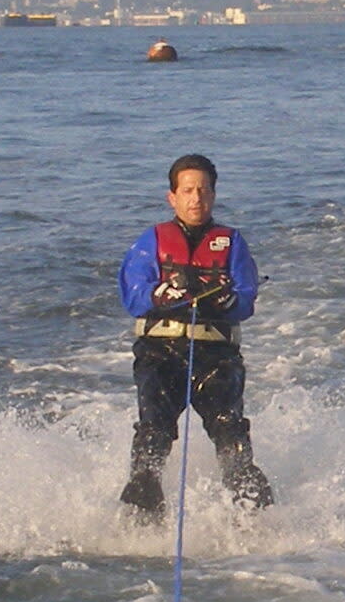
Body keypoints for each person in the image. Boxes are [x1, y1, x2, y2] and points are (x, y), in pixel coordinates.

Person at [117, 154, 274, 519]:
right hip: (161, 352)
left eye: (203, 191)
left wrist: (227, 298)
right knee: (154, 429)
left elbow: (246, 299)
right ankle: (142, 512)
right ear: (172, 197)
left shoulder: (232, 244)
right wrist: (162, 294)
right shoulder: (151, 241)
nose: (196, 199)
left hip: (215, 356)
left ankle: (253, 516)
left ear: (214, 195)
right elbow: (132, 293)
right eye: (187, 191)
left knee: (230, 432)